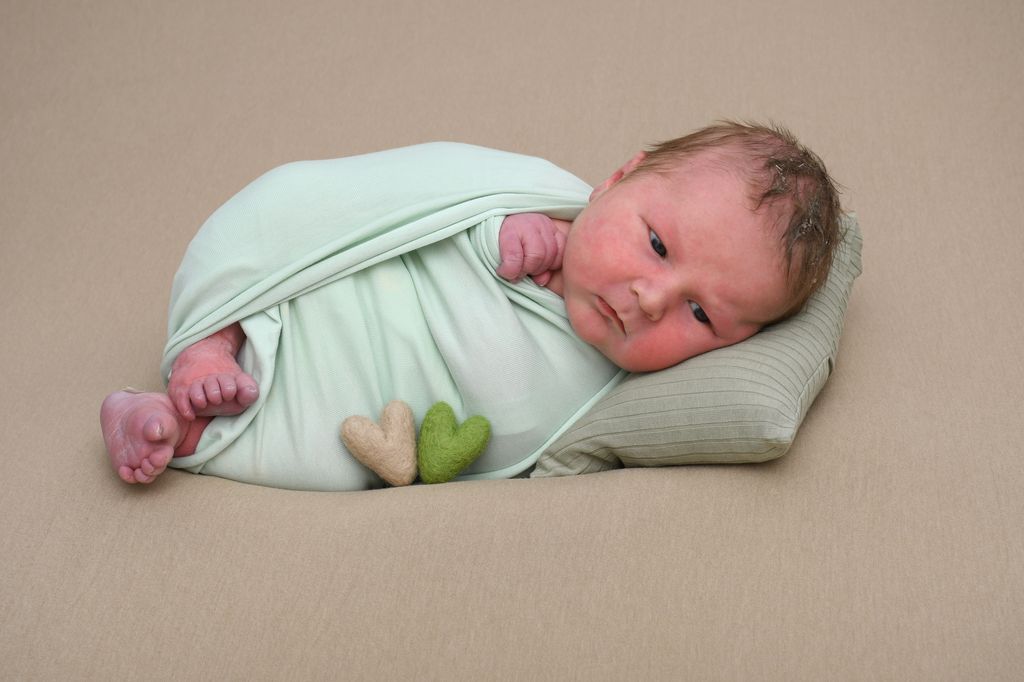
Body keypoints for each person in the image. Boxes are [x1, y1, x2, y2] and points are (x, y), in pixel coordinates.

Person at [100, 121, 841, 488]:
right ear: (619, 179)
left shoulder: (612, 393)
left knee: (304, 446)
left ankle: (166, 421)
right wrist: (505, 228)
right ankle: (209, 344)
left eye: (701, 315)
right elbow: (427, 199)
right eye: (655, 244)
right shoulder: (531, 200)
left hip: (360, 381)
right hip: (332, 279)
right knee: (278, 230)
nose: (651, 299)